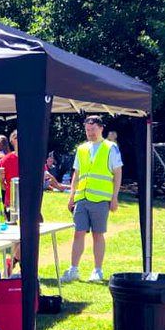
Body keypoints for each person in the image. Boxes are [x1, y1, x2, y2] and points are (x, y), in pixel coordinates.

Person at [62, 115, 123, 283]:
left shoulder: (110, 147)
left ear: (101, 128)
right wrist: (72, 196)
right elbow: (77, 174)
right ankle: (73, 269)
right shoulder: (81, 148)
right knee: (78, 233)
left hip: (101, 199)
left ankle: (97, 270)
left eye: (93, 129)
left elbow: (117, 172)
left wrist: (114, 197)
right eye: (87, 130)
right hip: (82, 197)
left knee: (97, 235)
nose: (90, 133)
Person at [0, 130, 20, 218]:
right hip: (11, 205)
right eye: (16, 137)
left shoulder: (33, 159)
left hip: (30, 203)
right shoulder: (5, 161)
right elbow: (1, 183)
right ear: (12, 141)